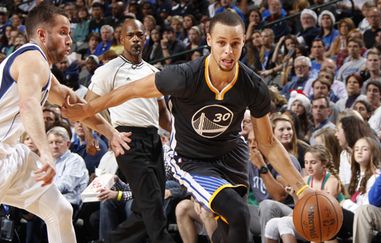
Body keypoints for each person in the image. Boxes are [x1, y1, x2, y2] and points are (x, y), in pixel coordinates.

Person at [64, 10, 311, 243]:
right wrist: (88, 109)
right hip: (192, 160)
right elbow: (131, 90)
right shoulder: (184, 75)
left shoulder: (253, 85)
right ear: (209, 40)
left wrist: (302, 189)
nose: (228, 51)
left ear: (243, 42)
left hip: (232, 154)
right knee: (238, 213)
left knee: (230, 227)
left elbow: (267, 143)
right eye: (221, 43)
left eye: (235, 43)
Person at [0, 2, 130, 242]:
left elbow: (76, 107)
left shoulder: (44, 72)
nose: (70, 40)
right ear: (42, 35)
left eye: (70, 34)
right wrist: (45, 153)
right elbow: (29, 105)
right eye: (63, 32)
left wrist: (110, 133)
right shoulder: (31, 58)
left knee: (60, 211)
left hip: (10, 155)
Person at [83, 18, 173, 243]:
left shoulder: (154, 71)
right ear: (121, 39)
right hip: (127, 138)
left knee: (147, 208)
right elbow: (87, 107)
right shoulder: (109, 70)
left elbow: (163, 114)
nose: (135, 39)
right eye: (131, 35)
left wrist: (176, 135)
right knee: (152, 204)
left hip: (154, 140)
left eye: (140, 35)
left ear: (146, 37)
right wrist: (95, 136)